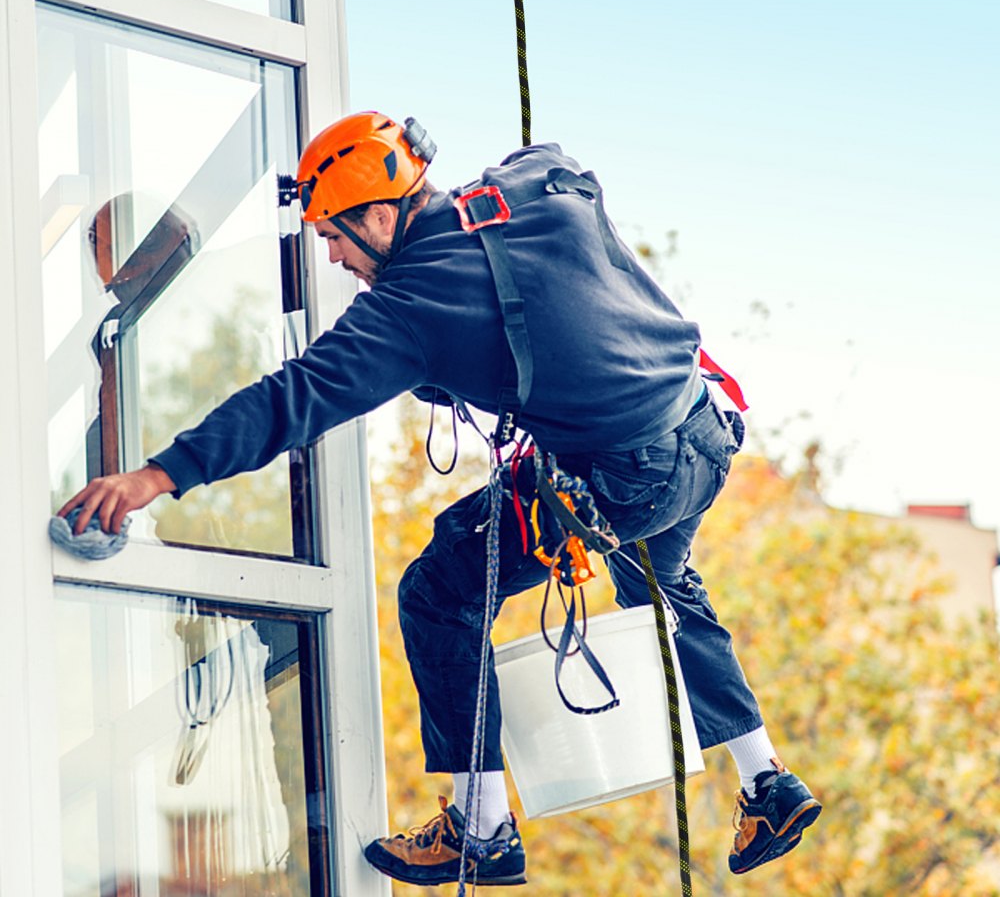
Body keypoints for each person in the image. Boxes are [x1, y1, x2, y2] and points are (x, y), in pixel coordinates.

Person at [59, 111, 822, 888]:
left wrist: (158, 475)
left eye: (335, 238)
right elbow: (554, 160)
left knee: (439, 592)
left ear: (382, 216)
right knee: (663, 587)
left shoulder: (408, 307)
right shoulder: (520, 190)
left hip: (627, 476)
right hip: (705, 432)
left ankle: (482, 828)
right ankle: (767, 782)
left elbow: (293, 398)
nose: (335, 258)